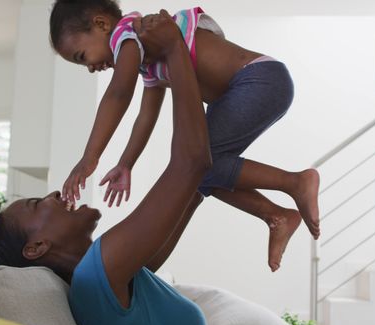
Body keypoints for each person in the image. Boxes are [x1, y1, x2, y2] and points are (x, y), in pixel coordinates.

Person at [0, 11, 213, 325]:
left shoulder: (114, 275)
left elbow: (193, 188)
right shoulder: (95, 277)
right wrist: (175, 49)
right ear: (36, 247)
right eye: (36, 203)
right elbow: (192, 165)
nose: (52, 195)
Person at [50, 0, 320, 271]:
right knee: (197, 172)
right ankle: (276, 216)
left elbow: (119, 93)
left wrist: (89, 158)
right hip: (248, 89)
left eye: (82, 56)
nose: (90, 68)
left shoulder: (128, 34)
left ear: (101, 24)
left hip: (257, 80)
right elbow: (146, 116)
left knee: (195, 164)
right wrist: (126, 163)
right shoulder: (147, 56)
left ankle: (294, 183)